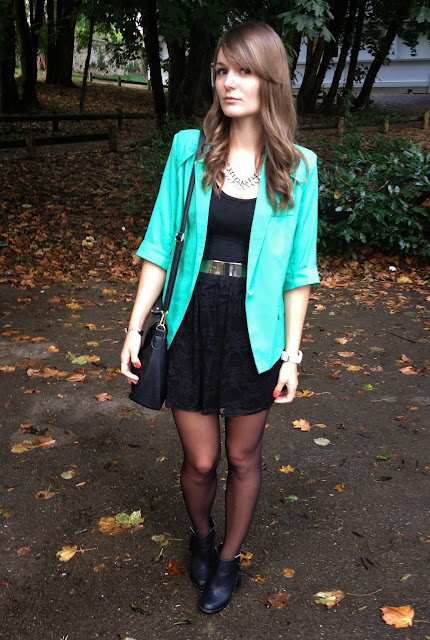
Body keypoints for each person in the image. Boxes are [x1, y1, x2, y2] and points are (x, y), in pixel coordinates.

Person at [121, 21, 319, 614]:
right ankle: (202, 535)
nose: (229, 82)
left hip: (254, 330)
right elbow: (159, 244)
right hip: (191, 318)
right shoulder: (190, 149)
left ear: (270, 79)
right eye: (221, 71)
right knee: (201, 460)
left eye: (244, 71)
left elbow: (299, 273)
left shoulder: (299, 167)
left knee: (242, 457)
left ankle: (228, 558)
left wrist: (292, 354)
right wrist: (133, 328)